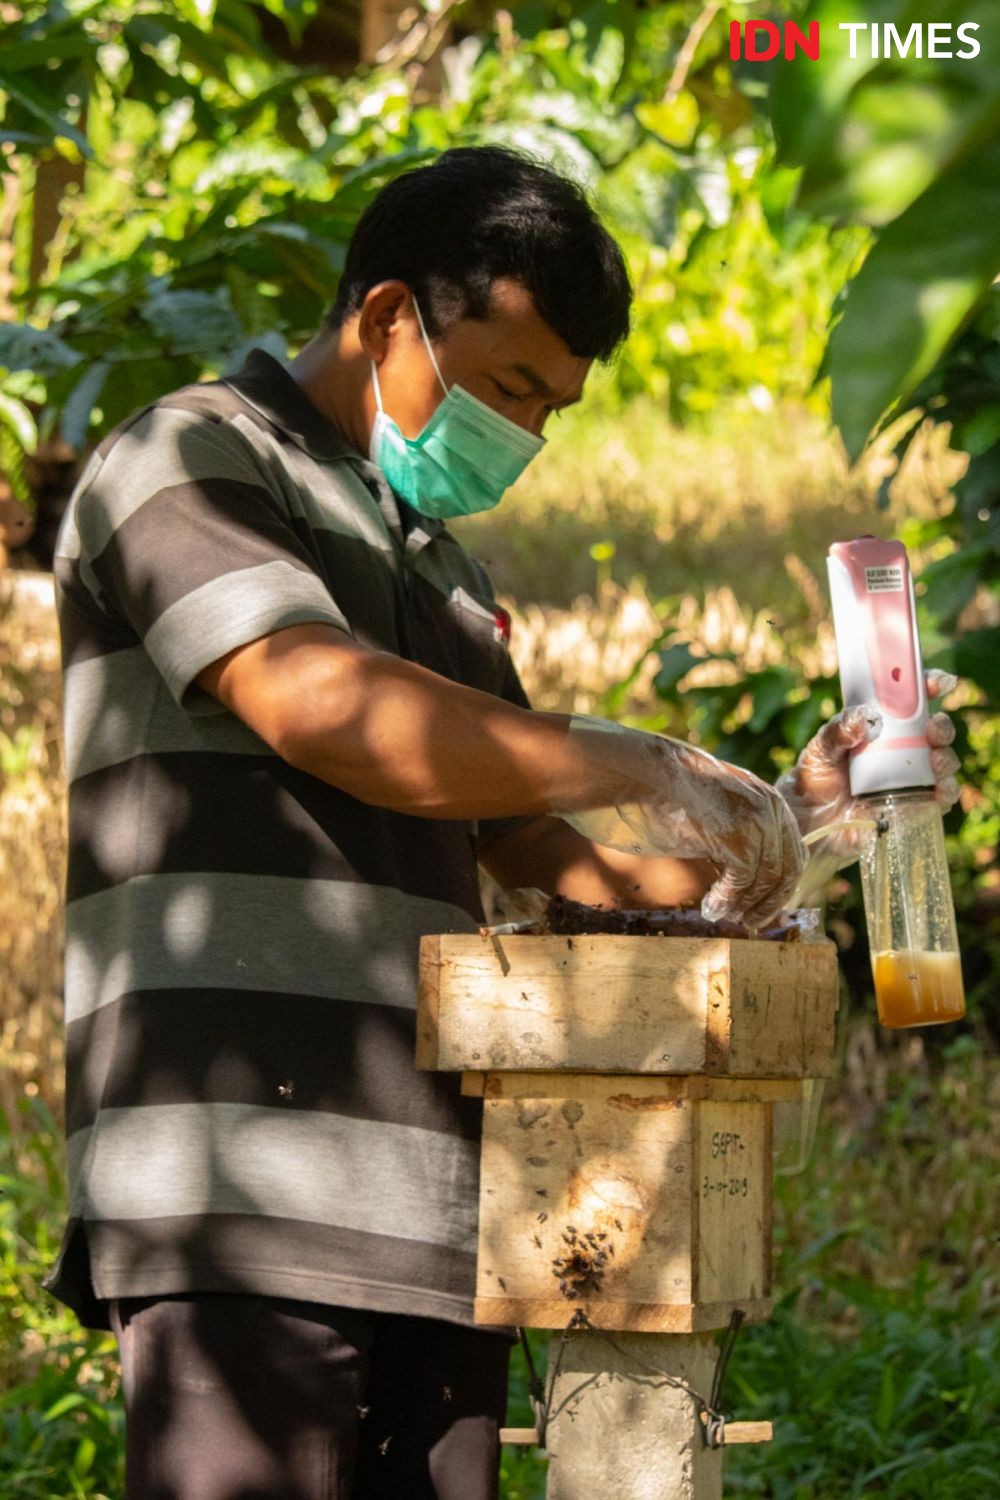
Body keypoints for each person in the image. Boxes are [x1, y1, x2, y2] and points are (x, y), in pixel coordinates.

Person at [44, 146, 960, 1499]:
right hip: (238, 1190)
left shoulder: (438, 569)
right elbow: (317, 701)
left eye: (553, 411)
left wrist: (792, 819)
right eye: (511, 388)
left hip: (432, 1211)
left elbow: (563, 876)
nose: (524, 437)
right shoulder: (189, 456)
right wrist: (630, 753)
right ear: (388, 319)